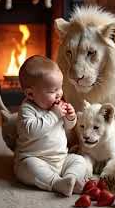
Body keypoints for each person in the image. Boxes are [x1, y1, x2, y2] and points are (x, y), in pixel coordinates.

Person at [14, 55, 88, 196]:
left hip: (60, 159)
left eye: (60, 88)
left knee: (79, 160)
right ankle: (56, 183)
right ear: (30, 94)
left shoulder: (55, 106)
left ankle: (71, 177)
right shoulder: (27, 109)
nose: (59, 94)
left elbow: (68, 127)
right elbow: (30, 131)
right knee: (26, 168)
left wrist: (70, 118)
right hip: (35, 159)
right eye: (52, 91)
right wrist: (54, 115)